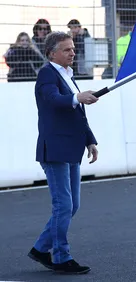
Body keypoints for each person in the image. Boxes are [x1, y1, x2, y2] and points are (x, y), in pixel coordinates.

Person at [28, 31, 100, 275]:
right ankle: (61, 257)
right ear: (52, 53)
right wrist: (77, 96)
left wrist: (90, 140)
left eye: (73, 48)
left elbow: (77, 112)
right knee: (64, 206)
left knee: (72, 205)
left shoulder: (68, 75)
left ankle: (40, 248)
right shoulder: (47, 73)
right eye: (67, 49)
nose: (73, 52)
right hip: (55, 149)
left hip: (71, 148)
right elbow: (53, 99)